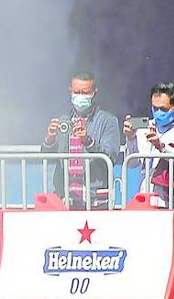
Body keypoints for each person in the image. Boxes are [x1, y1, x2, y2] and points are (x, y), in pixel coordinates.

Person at [39, 70, 121, 209]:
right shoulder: (63, 120)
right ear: (70, 91)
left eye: (85, 93)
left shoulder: (108, 121)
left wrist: (88, 141)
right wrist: (50, 139)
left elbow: (111, 156)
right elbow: (46, 158)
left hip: (95, 199)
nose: (80, 96)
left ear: (94, 93)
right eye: (77, 92)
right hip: (65, 197)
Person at [123, 83, 174, 208]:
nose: (158, 113)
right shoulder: (144, 128)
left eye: (163, 109)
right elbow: (132, 163)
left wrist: (162, 148)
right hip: (145, 198)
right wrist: (131, 138)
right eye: (155, 108)